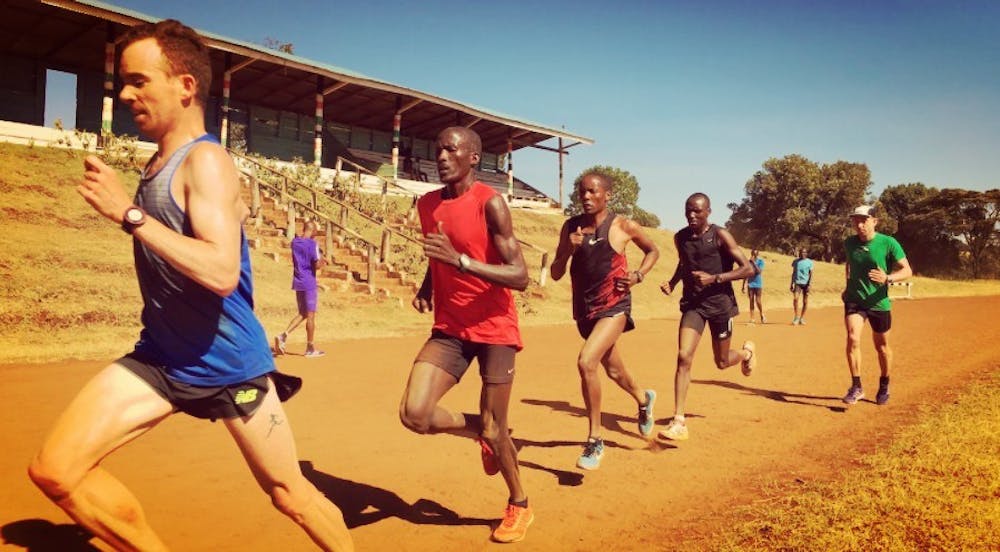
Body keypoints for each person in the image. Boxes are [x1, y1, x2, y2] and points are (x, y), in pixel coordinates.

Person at [27, 20, 353, 552]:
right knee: (56, 470)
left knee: (291, 495)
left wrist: (128, 214)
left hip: (228, 365)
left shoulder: (206, 160)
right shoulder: (160, 161)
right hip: (161, 357)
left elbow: (222, 273)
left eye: (139, 81)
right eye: (123, 82)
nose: (125, 94)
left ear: (185, 86)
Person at [398, 126, 533, 543]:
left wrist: (461, 263)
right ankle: (485, 430)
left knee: (496, 429)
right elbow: (439, 252)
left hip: (494, 328)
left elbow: (520, 276)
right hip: (451, 328)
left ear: (473, 157)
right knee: (414, 414)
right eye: (437, 149)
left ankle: (520, 503)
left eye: (451, 150)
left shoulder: (491, 204)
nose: (441, 156)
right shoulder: (427, 204)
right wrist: (428, 286)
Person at [550, 171, 659, 470]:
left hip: (614, 306)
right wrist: (568, 250)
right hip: (585, 311)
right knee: (613, 369)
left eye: (592, 191)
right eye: (582, 192)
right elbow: (557, 273)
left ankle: (595, 440)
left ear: (607, 195)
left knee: (587, 362)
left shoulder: (624, 226)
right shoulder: (571, 227)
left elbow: (653, 250)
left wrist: (638, 275)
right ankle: (644, 399)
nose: (586, 197)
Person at [658, 193, 757, 441]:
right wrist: (673, 282)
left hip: (720, 306)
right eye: (688, 210)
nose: (691, 215)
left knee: (722, 362)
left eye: (697, 211)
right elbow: (684, 263)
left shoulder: (720, 235)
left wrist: (714, 278)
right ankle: (679, 420)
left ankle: (746, 354)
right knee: (683, 356)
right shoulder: (680, 237)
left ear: (708, 212)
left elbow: (749, 269)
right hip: (694, 305)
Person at [842, 205, 912, 405]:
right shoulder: (849, 243)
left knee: (882, 347)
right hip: (855, 300)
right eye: (856, 220)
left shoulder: (888, 243)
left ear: (874, 221)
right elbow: (849, 265)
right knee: (853, 337)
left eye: (864, 220)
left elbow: (907, 270)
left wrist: (888, 278)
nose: (859, 225)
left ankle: (884, 384)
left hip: (878, 302)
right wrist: (847, 286)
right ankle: (856, 387)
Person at [274, 220, 326, 357]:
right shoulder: (313, 244)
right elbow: (317, 265)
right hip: (309, 282)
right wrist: (322, 260)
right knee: (310, 316)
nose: (316, 234)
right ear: (312, 230)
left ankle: (283, 336)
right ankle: (310, 348)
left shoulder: (295, 242)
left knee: (303, 313)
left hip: (298, 281)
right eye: (316, 231)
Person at [741, 248, 766, 324]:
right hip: (750, 284)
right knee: (751, 300)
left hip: (758, 283)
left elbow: (759, 271)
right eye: (753, 254)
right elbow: (746, 274)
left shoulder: (761, 261)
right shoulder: (748, 263)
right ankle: (752, 318)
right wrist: (743, 285)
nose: (754, 255)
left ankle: (762, 314)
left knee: (758, 301)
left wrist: (754, 263)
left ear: (757, 254)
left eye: (755, 254)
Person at [790, 248, 813, 325]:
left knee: (805, 301)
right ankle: (796, 317)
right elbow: (793, 273)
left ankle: (802, 318)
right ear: (800, 253)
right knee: (795, 299)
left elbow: (811, 274)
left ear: (806, 253)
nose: (803, 253)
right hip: (797, 283)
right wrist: (791, 283)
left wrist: (809, 284)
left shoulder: (810, 262)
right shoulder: (795, 261)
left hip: (806, 284)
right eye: (802, 252)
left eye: (804, 252)